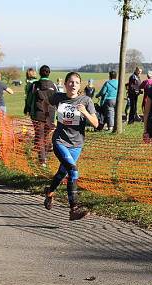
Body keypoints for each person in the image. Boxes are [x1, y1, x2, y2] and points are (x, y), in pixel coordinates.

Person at [43, 72, 98, 220]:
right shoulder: (58, 97)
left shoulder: (86, 100)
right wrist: (48, 118)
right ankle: (74, 208)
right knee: (73, 171)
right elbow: (45, 103)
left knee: (62, 173)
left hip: (77, 144)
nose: (73, 85)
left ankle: (49, 192)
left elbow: (96, 123)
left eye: (76, 83)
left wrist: (85, 112)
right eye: (71, 82)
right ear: (66, 84)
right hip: (60, 141)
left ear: (80, 85)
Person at [27, 65, 58, 166]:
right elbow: (57, 100)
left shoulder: (34, 85)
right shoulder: (54, 85)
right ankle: (46, 151)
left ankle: (42, 160)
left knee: (39, 137)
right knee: (46, 135)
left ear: (40, 73)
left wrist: (27, 109)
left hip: (37, 114)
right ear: (49, 73)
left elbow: (29, 99)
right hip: (51, 115)